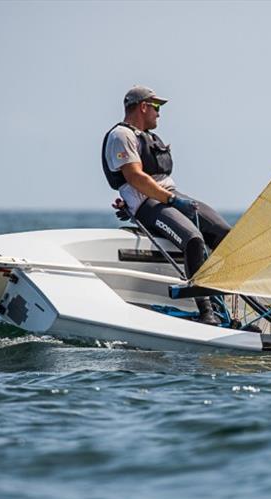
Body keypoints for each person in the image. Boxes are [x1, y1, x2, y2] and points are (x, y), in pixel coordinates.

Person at [101, 85, 230, 326]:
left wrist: (175, 198)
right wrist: (171, 200)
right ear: (143, 107)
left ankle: (232, 303)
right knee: (193, 240)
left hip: (170, 195)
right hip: (148, 204)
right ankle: (206, 312)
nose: (159, 113)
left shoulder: (147, 136)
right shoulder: (121, 135)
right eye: (156, 107)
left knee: (225, 234)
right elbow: (136, 178)